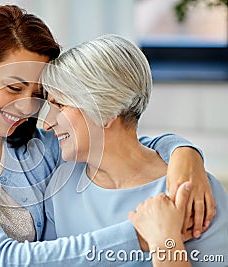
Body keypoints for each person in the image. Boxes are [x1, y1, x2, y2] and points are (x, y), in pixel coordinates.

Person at [0, 6, 215, 266]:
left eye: (38, 92)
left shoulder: (37, 148)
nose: (26, 106)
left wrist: (185, 154)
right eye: (13, 86)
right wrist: (142, 236)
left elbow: (116, 134)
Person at [42, 34, 228, 266]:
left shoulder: (193, 192)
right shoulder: (60, 187)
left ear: (104, 111)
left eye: (59, 105)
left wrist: (166, 243)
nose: (46, 124)